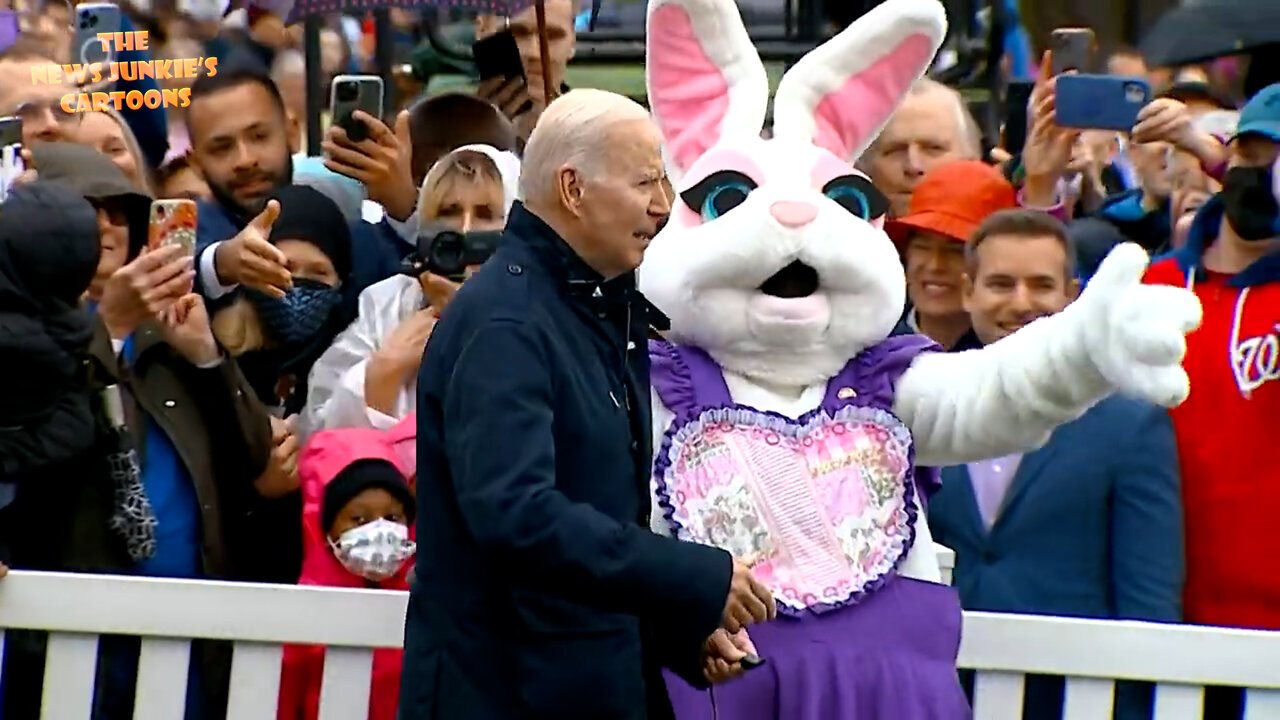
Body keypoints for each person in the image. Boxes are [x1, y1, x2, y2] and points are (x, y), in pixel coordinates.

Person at [399, 89, 775, 719]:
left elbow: (594, 517)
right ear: (573, 190)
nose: (662, 206)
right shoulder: (507, 323)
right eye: (646, 182)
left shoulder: (589, 304)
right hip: (505, 691)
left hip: (575, 682)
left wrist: (673, 627)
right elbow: (516, 516)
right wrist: (690, 577)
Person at [929, 209, 1183, 720]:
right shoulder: (920, 406)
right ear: (968, 290)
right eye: (1000, 283)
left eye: (1040, 285)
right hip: (934, 689)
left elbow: (1148, 603)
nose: (1020, 302)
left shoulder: (1130, 423)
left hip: (1072, 697)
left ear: (1070, 295)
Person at [304, 144, 520, 433]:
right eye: (448, 211)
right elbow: (319, 429)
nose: (464, 229)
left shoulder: (539, 306)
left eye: (485, 213)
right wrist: (384, 371)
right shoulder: (387, 304)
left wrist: (470, 323)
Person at [277, 427, 416, 720]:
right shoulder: (304, 608)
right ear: (326, 526)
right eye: (359, 519)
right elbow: (285, 693)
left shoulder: (420, 598)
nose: (379, 530)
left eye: (392, 517)